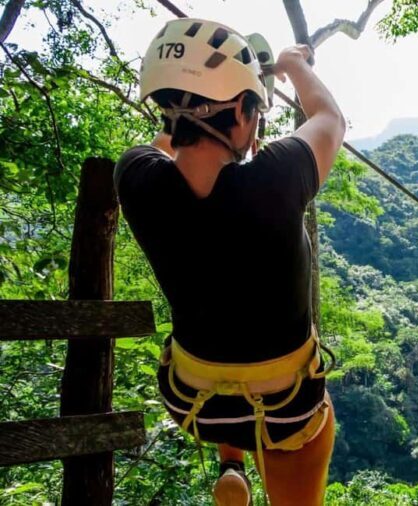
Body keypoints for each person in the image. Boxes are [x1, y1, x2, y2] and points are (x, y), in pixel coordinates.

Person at [114, 18, 345, 505]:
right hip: (283, 405)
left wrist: (191, 116)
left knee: (220, 320)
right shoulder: (275, 181)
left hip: (195, 400)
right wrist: (293, 66)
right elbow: (329, 118)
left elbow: (161, 152)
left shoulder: (135, 180)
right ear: (241, 113)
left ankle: (230, 462)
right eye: (254, 111)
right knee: (313, 425)